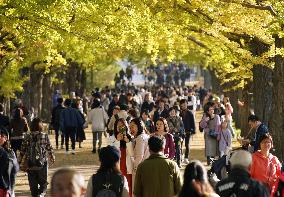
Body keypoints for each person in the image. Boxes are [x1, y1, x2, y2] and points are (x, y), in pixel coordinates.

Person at [19, 117, 55, 197]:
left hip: (30, 163)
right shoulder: (44, 136)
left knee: (33, 186)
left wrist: (20, 161)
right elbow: (49, 148)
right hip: (42, 163)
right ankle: (41, 194)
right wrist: (52, 157)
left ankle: (35, 195)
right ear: (40, 126)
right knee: (43, 183)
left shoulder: (27, 136)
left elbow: (23, 150)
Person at [109, 118, 133, 196]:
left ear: (126, 127)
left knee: (128, 184)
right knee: (117, 183)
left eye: (122, 126)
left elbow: (132, 153)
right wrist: (117, 140)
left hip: (127, 164)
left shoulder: (131, 138)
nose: (120, 127)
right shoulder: (112, 138)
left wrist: (128, 142)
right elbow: (112, 152)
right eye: (118, 126)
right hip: (117, 164)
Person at [128, 118, 150, 187]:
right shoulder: (146, 136)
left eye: (133, 126)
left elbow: (139, 156)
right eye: (130, 127)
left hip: (140, 170)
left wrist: (134, 169)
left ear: (139, 126)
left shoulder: (140, 138)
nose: (131, 129)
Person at [0, 127, 19, 197]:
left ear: (5, 139)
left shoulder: (9, 153)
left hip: (6, 187)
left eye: (2, 136)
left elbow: (15, 169)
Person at [179, 99, 196, 164]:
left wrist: (193, 130)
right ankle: (180, 156)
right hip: (180, 132)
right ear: (180, 105)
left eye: (185, 104)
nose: (184, 105)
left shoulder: (190, 113)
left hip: (188, 132)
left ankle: (186, 158)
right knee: (179, 145)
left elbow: (193, 122)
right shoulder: (179, 113)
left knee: (187, 145)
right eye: (183, 104)